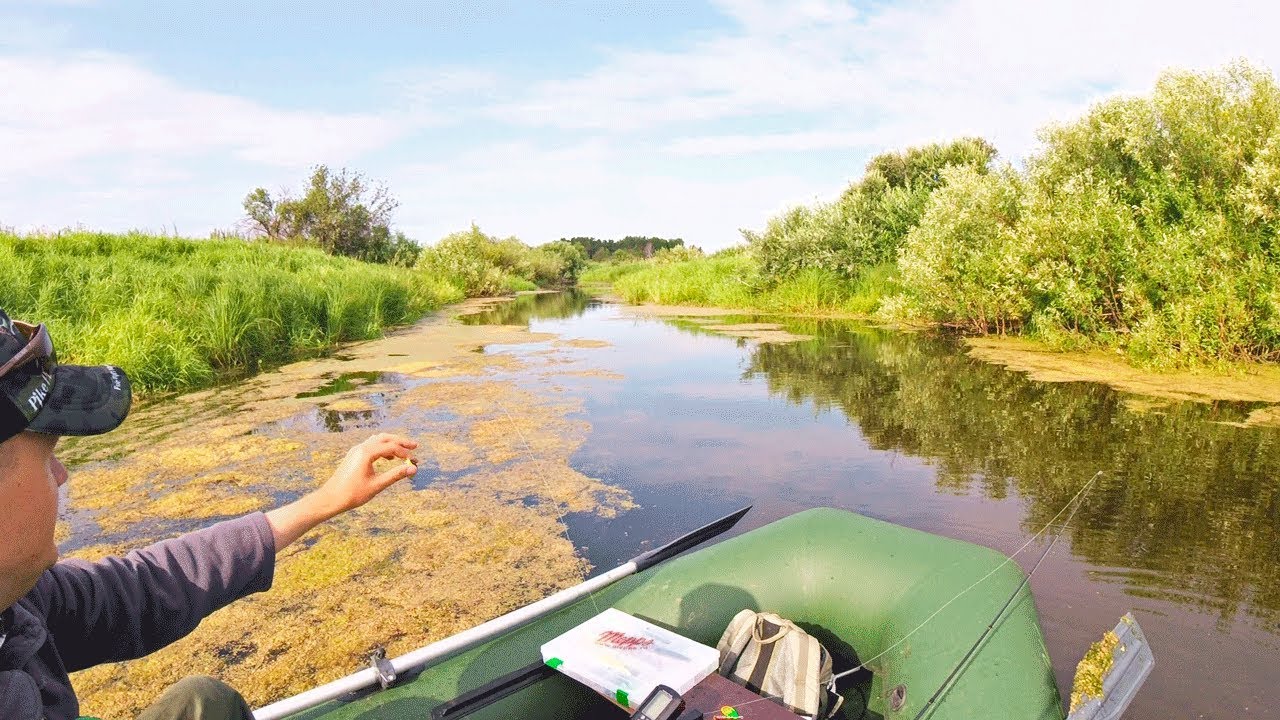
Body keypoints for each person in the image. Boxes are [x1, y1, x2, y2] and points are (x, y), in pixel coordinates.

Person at [0, 308, 421, 720]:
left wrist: (326, 500)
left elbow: (143, 587)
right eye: (48, 455)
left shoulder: (19, 600)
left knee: (202, 702)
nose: (61, 475)